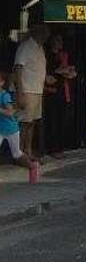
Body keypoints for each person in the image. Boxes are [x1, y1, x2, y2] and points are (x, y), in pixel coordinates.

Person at [13, 25, 49, 161]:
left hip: (37, 90)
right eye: (45, 33)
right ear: (38, 33)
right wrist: (20, 92)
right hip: (27, 90)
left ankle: (27, 150)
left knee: (32, 122)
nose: (46, 37)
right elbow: (18, 68)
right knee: (24, 122)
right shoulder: (25, 47)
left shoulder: (40, 48)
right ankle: (19, 153)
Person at [43, 33, 77, 158]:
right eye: (57, 40)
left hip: (65, 90)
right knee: (53, 120)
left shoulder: (65, 55)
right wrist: (58, 71)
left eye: (61, 40)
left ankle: (61, 147)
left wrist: (67, 71)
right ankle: (52, 148)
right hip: (51, 91)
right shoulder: (46, 55)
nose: (60, 43)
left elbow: (73, 71)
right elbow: (46, 74)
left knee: (63, 120)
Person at [0, 71, 38, 171]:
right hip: (0, 129)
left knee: (16, 154)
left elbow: (10, 112)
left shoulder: (5, 96)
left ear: (2, 83)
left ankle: (33, 166)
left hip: (11, 129)